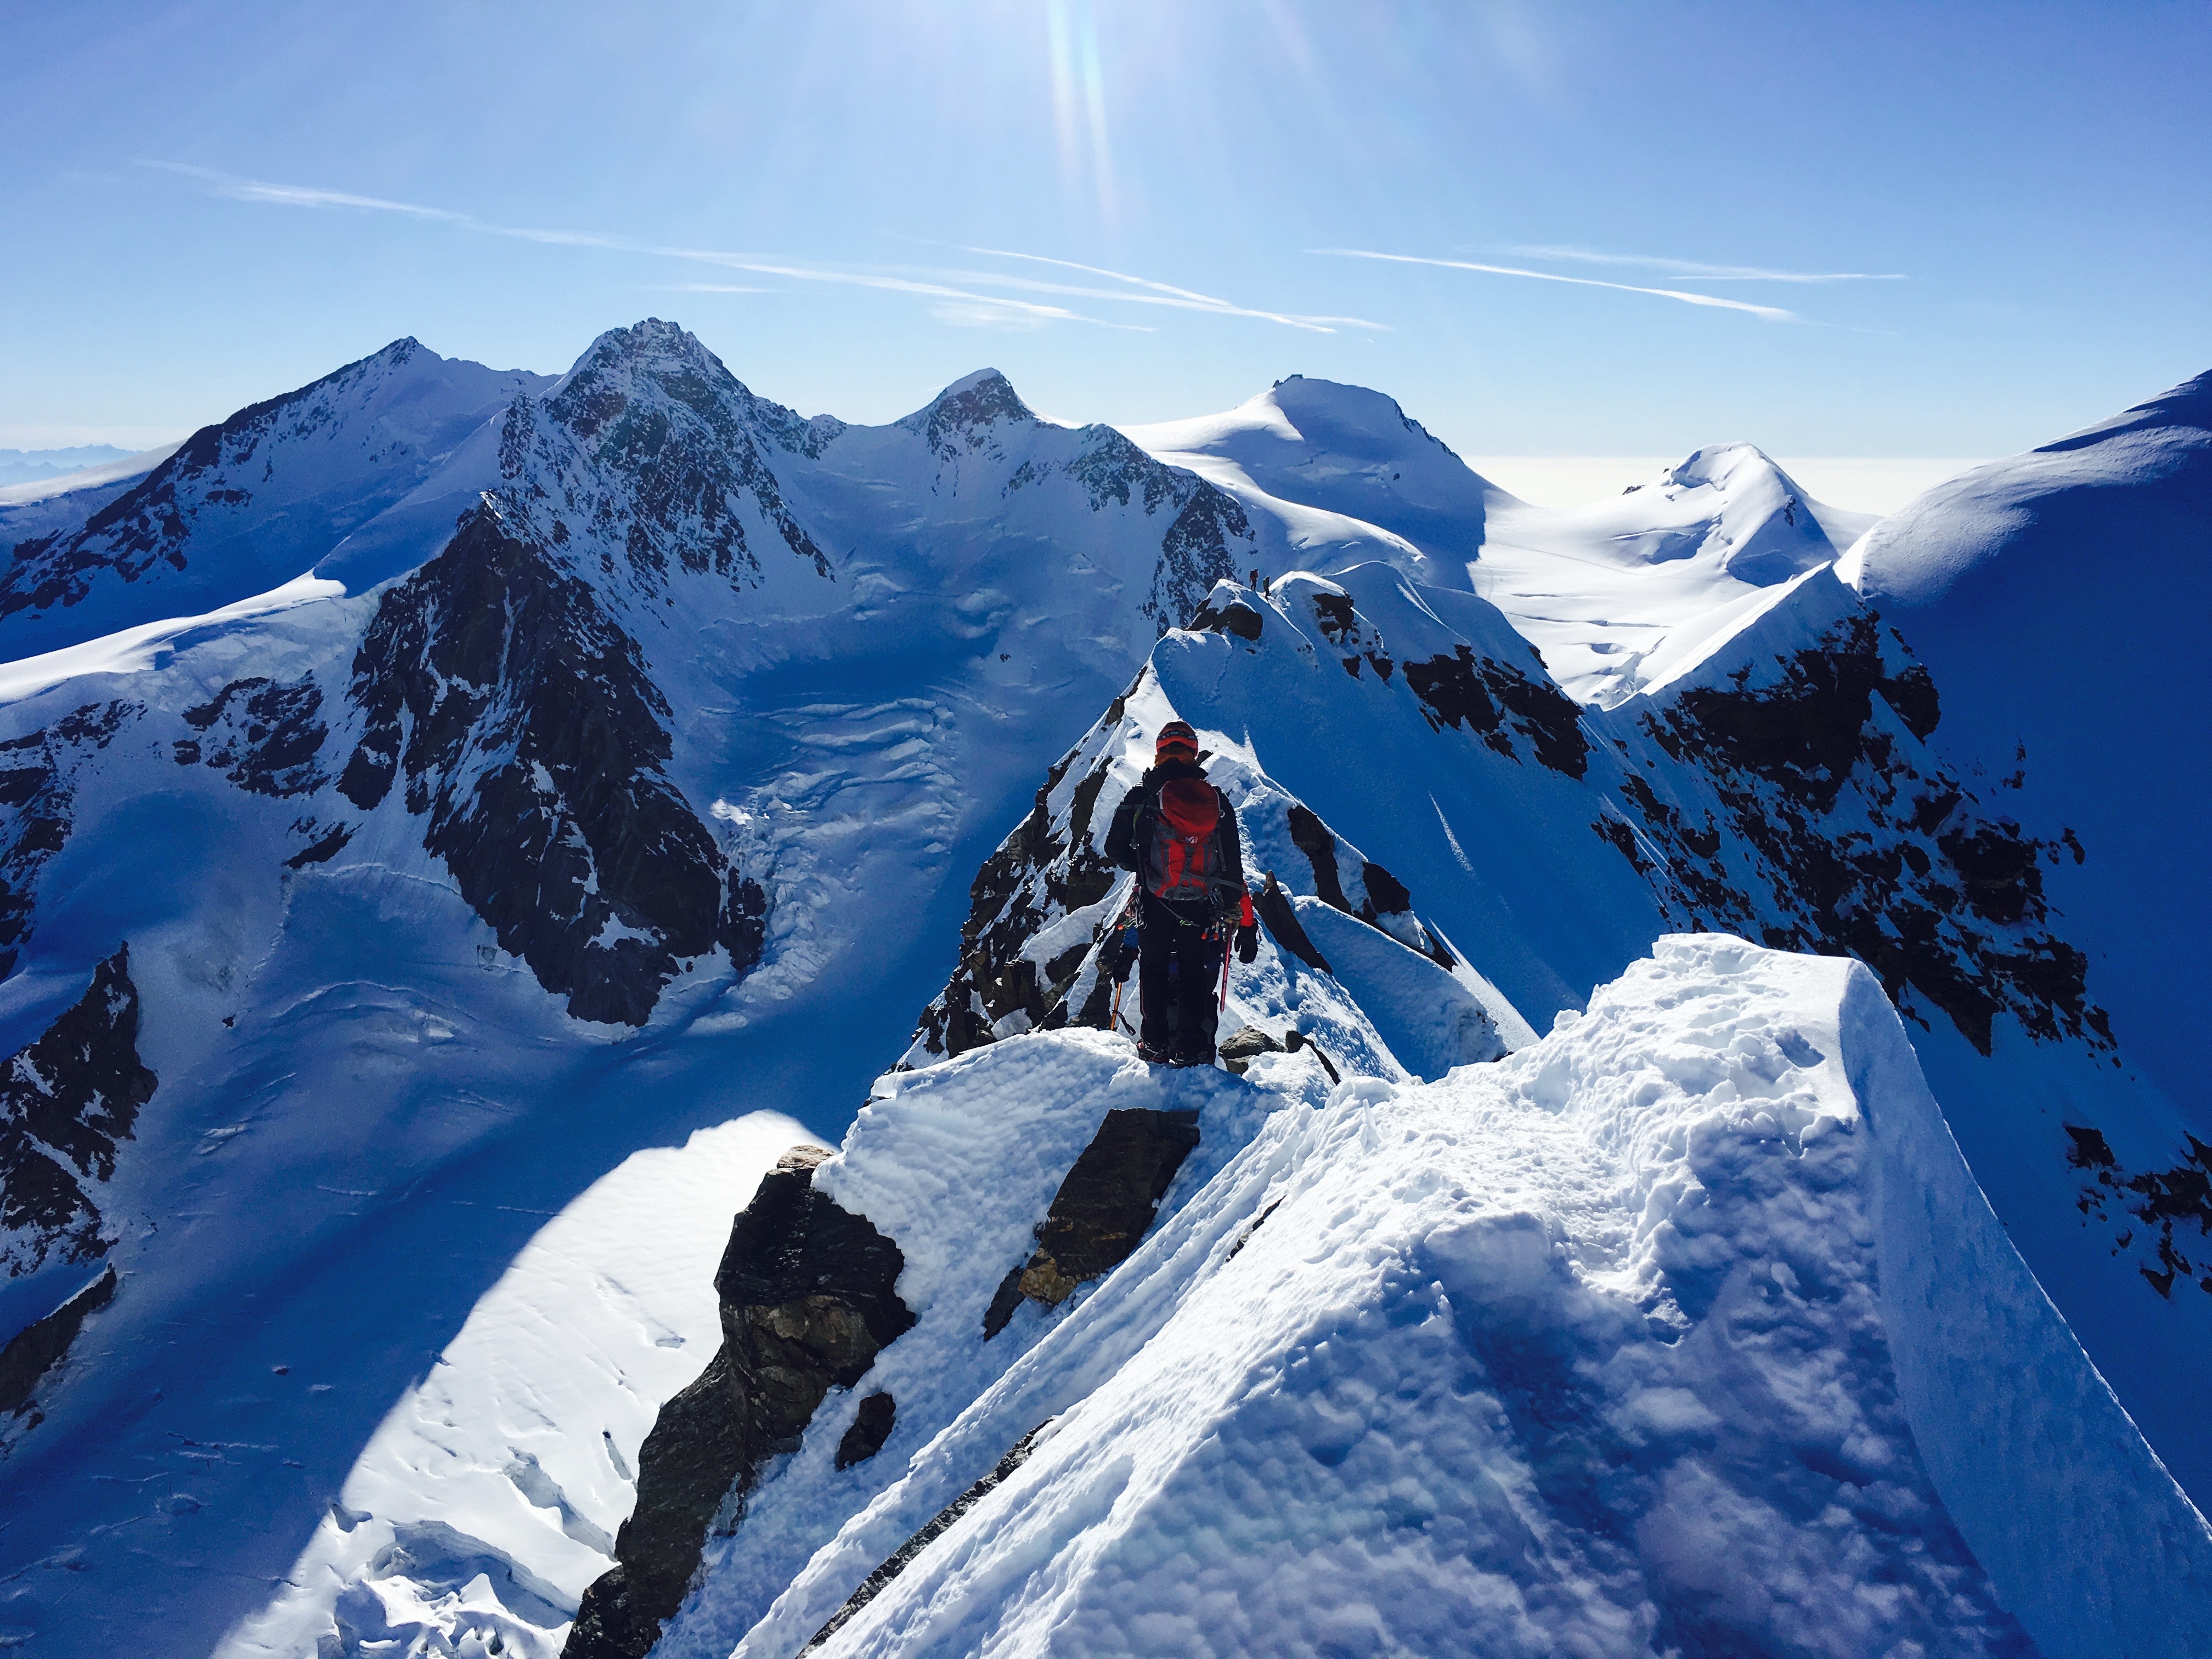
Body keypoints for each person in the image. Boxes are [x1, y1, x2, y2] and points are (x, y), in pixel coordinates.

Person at [1105, 720, 1259, 1066]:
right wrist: (1245, 928)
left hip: (1155, 902)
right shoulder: (1217, 802)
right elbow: (1233, 868)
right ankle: (1190, 1048)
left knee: (1154, 969)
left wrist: (1145, 868)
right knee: (1193, 971)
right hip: (1201, 905)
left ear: (1160, 753)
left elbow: (1113, 848)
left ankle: (1154, 1043)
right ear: (1193, 754)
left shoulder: (1140, 798)